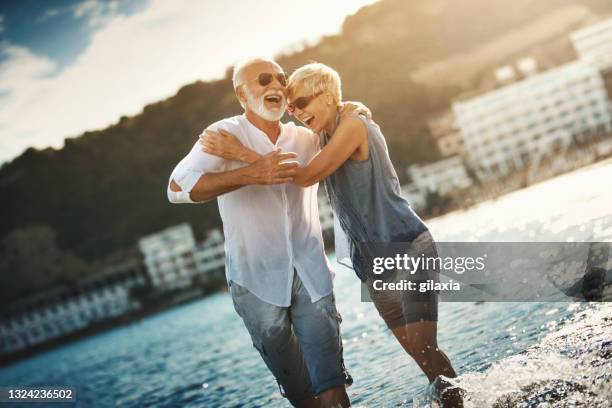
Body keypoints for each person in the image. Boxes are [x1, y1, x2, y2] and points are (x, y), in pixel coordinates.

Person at [201, 63, 463, 407]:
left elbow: (308, 175)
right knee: (420, 356)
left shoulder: (354, 124)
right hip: (373, 264)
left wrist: (239, 154)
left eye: (302, 103)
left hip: (408, 246)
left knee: (425, 348)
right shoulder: (322, 135)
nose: (295, 113)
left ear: (326, 97)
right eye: (292, 107)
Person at [167, 59, 355, 407]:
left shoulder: (306, 136)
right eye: (264, 79)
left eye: (281, 79)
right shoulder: (223, 134)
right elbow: (177, 187)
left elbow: (347, 122)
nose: (276, 86)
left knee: (332, 386)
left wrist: (356, 110)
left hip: (311, 274)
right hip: (255, 283)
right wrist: (249, 173)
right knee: (302, 396)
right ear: (242, 94)